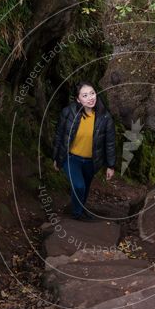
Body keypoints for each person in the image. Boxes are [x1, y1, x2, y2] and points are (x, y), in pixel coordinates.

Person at [52, 82, 116, 221]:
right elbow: (59, 136)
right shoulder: (68, 112)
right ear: (78, 99)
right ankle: (77, 214)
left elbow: (110, 143)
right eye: (85, 95)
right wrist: (56, 158)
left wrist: (110, 165)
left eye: (92, 93)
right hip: (71, 158)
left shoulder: (105, 117)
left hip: (91, 161)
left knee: (85, 188)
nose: (90, 98)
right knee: (79, 186)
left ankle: (81, 209)